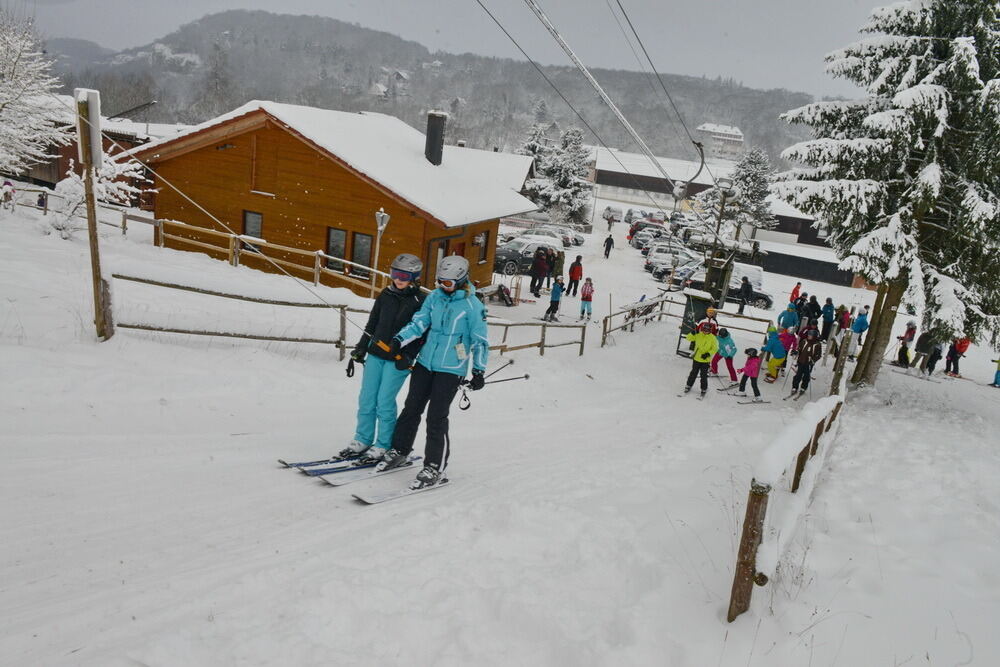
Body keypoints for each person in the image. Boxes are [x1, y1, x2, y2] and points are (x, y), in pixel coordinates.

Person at [377, 256, 489, 489]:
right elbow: (419, 323)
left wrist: (478, 370)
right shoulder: (435, 299)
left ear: (461, 280)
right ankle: (400, 450)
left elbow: (480, 341)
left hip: (450, 370)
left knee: (436, 418)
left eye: (448, 284)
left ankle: (434, 467)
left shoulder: (473, 306)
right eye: (440, 282)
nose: (443, 287)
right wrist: (400, 339)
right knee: (411, 409)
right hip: (426, 363)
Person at [338, 254, 426, 464]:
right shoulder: (385, 295)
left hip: (398, 360)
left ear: (414, 276)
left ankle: (383, 443)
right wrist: (361, 348)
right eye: (395, 274)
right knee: (367, 399)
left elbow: (422, 333)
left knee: (384, 402)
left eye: (404, 275)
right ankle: (362, 439)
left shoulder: (421, 301)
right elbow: (372, 325)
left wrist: (408, 355)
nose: (399, 279)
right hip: (376, 354)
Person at [682, 321, 719, 398]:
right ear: (702, 329)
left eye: (707, 330)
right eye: (704, 330)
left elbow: (715, 348)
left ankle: (704, 389)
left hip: (705, 360)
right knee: (693, 373)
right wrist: (692, 332)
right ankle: (688, 385)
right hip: (696, 358)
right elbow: (688, 338)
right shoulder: (698, 335)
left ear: (710, 331)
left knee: (703, 375)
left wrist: (708, 354)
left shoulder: (713, 338)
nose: (705, 332)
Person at [790, 327, 823, 397]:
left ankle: (803, 388)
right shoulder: (804, 341)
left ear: (814, 336)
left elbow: (818, 355)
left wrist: (813, 360)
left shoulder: (817, 344)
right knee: (798, 375)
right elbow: (799, 348)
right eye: (808, 335)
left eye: (810, 335)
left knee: (806, 376)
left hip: (809, 364)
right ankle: (795, 387)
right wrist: (796, 352)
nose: (809, 336)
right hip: (801, 361)